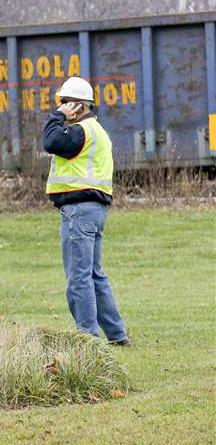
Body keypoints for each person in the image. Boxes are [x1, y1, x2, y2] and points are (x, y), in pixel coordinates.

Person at [43, 76, 130, 345]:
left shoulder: (80, 131)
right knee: (94, 274)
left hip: (78, 211)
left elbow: (50, 141)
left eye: (66, 102)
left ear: (79, 105)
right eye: (61, 103)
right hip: (94, 210)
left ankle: (88, 340)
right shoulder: (97, 131)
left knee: (79, 278)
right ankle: (117, 335)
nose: (62, 106)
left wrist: (56, 116)